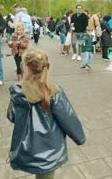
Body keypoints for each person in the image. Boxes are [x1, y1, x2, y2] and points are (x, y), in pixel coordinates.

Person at [7, 50, 86, 179]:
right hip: (50, 149)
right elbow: (68, 118)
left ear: (26, 68)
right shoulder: (54, 91)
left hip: (27, 147)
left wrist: (14, 149)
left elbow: (12, 117)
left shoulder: (18, 92)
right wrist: (80, 138)